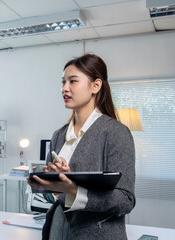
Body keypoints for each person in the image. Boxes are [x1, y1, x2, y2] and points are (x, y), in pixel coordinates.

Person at [27, 54, 135, 239]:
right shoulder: (59, 135)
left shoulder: (116, 133)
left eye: (73, 81)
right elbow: (50, 196)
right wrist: (47, 184)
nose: (65, 88)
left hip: (96, 233)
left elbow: (125, 201)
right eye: (63, 82)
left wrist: (74, 191)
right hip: (57, 229)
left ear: (96, 85)